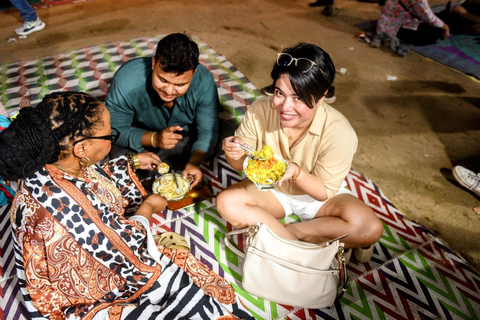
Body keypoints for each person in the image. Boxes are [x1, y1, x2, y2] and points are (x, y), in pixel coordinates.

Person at [0, 91, 251, 319]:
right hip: (79, 298)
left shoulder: (47, 161)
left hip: (70, 261)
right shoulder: (70, 208)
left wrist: (131, 162)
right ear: (82, 147)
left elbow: (90, 178)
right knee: (186, 277)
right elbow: (130, 249)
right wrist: (149, 207)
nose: (112, 139)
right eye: (109, 135)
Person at [217, 43, 384, 264]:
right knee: (226, 203)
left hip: (318, 197)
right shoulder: (260, 110)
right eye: (279, 93)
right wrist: (233, 150)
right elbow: (239, 164)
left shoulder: (339, 132)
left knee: (369, 228)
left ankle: (283, 236)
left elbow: (323, 191)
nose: (285, 107)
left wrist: (295, 172)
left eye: (298, 97)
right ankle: (307, 243)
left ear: (322, 96)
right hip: (273, 190)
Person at [106, 33, 220, 189]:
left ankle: (176, 164)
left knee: (224, 141)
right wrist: (154, 139)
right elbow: (114, 130)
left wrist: (194, 162)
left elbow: (207, 131)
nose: (169, 91)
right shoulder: (128, 80)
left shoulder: (204, 81)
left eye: (180, 85)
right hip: (141, 135)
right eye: (162, 80)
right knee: (111, 155)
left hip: (182, 138)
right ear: (154, 63)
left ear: (193, 73)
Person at [372, 0, 450, 56]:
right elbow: (428, 17)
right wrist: (445, 27)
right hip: (395, 29)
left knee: (439, 18)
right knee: (437, 29)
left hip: (386, 22)